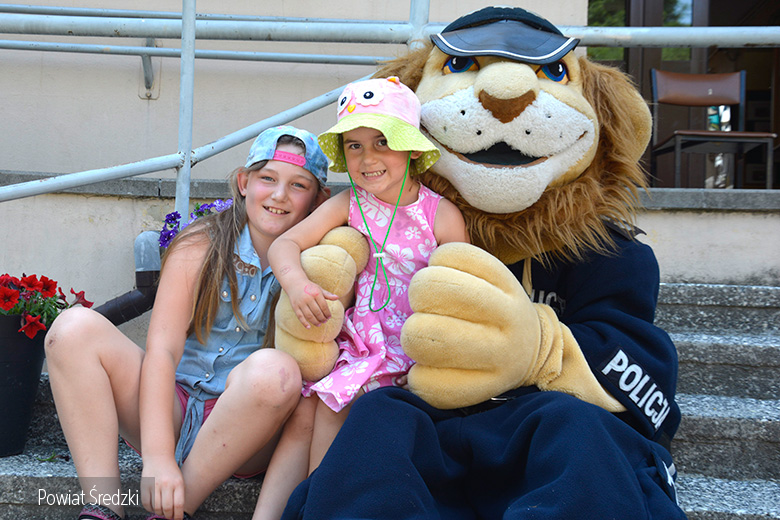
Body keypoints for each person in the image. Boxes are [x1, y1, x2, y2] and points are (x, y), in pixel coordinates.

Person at [44, 125, 330, 520]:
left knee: (276, 370)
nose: (279, 195)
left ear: (318, 199)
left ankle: (174, 511)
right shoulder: (202, 243)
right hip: (173, 407)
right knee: (71, 329)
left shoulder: (320, 267)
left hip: (248, 428)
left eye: (298, 185)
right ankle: (102, 506)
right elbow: (162, 351)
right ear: (244, 183)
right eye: (268, 178)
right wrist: (158, 458)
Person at [253, 77, 469, 520]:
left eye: (382, 142)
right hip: (358, 345)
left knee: (343, 408)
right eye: (354, 146)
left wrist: (434, 364)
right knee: (319, 408)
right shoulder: (348, 204)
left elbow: (459, 299)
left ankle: (323, 504)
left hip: (415, 353)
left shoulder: (440, 216)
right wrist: (297, 284)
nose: (367, 158)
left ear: (412, 148)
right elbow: (284, 245)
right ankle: (305, 506)